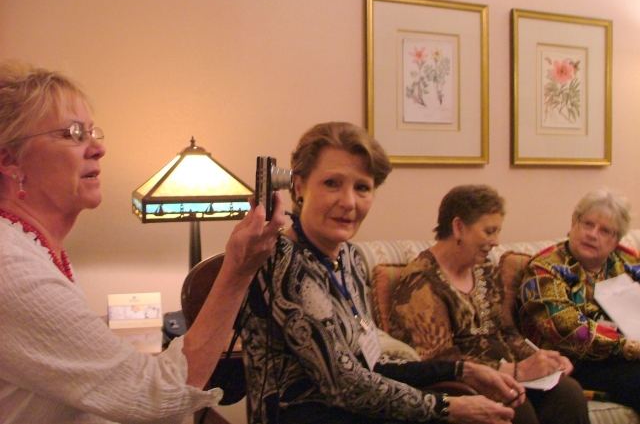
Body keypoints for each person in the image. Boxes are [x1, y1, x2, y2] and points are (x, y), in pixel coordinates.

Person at [0, 61, 286, 423]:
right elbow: (157, 398)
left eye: (92, 132)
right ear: (10, 160)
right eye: (73, 134)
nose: (97, 149)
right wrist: (236, 271)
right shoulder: (12, 269)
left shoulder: (33, 252)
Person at [240, 123, 526, 424]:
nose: (348, 202)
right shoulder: (282, 261)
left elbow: (370, 363)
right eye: (332, 184)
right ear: (298, 186)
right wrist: (447, 408)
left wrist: (462, 370)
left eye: (362, 187)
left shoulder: (348, 258)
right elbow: (343, 383)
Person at [387, 184, 589, 424]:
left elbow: (506, 332)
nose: (496, 241)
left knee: (569, 393)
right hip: (462, 385)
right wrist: (514, 372)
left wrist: (543, 360)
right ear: (458, 227)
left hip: (508, 376)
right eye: (489, 231)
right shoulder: (421, 282)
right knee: (515, 408)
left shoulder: (486, 270)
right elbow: (438, 359)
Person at [519, 188, 640, 412]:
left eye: (605, 231)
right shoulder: (545, 269)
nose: (593, 234)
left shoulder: (627, 263)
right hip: (573, 364)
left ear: (616, 240)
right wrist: (629, 347)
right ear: (574, 222)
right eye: (588, 224)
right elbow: (567, 329)